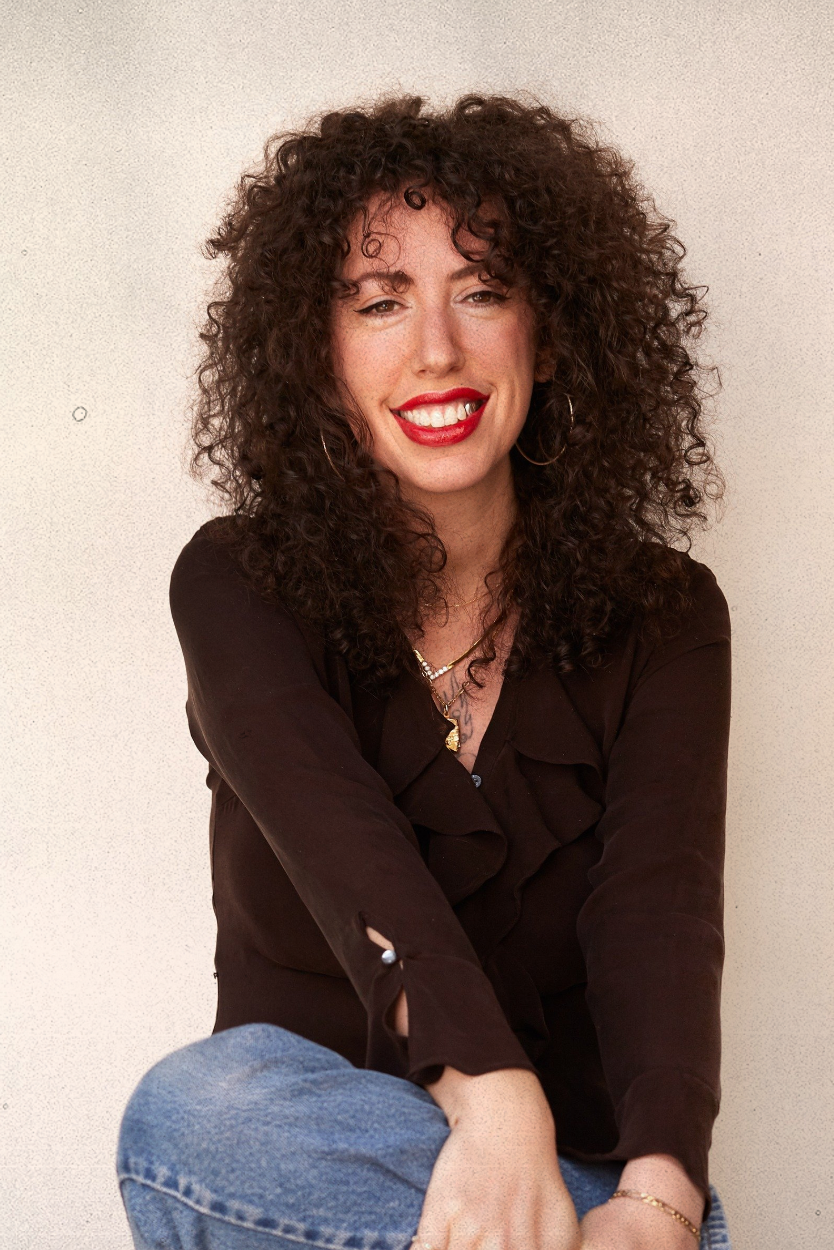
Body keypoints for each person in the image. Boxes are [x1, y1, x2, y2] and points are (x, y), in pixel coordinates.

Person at [117, 94, 733, 1250]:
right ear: (320, 355)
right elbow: (350, 855)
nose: (436, 348)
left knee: (628, 1206)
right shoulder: (238, 580)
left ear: (549, 337)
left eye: (483, 292)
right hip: (319, 1170)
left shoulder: (670, 612)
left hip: (572, 1186)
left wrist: (659, 1197)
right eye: (381, 302)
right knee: (199, 1109)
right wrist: (494, 1101)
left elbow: (662, 911)